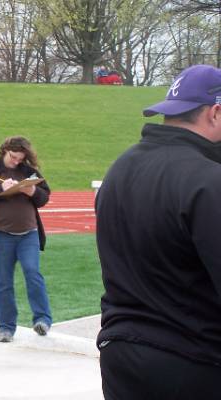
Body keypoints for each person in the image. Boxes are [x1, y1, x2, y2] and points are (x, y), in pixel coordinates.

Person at [96, 64, 221, 399]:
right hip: (193, 362)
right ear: (215, 112)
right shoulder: (208, 179)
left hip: (119, 353)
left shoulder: (119, 168)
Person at [0, 136, 52, 342]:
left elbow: (44, 196)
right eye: (13, 157)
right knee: (4, 282)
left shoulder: (27, 171)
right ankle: (6, 328)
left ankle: (42, 319)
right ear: (4, 151)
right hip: (1, 236)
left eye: (20, 158)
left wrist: (32, 190)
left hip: (29, 234)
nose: (16, 161)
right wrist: (0, 189)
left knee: (33, 273)